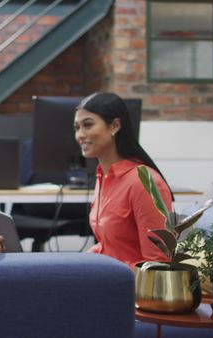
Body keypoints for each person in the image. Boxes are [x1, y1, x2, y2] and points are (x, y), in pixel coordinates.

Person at [73, 92, 172, 267]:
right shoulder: (102, 176)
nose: (80, 135)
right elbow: (109, 246)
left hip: (129, 287)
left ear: (115, 126)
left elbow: (157, 263)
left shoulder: (145, 182)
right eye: (77, 127)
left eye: (88, 125)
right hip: (108, 278)